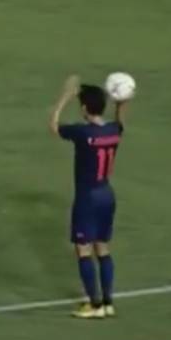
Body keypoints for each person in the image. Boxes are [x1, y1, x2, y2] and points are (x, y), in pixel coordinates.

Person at [51, 76, 128, 319]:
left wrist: (65, 96)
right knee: (102, 248)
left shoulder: (82, 132)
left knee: (83, 249)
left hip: (87, 198)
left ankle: (95, 305)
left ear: (84, 108)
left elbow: (54, 126)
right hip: (107, 195)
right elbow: (120, 124)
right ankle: (108, 302)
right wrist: (121, 103)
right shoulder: (113, 131)